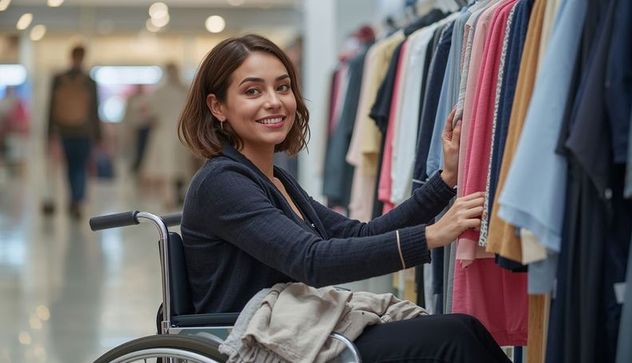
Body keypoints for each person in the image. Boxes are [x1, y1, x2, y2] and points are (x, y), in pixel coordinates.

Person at [178, 34, 510, 362]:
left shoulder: (274, 179)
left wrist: (445, 180)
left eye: (282, 87)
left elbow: (359, 234)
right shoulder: (222, 183)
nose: (274, 101)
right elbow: (313, 261)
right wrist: (430, 236)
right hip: (258, 342)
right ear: (217, 106)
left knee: (462, 333)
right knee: (455, 337)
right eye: (253, 91)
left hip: (294, 327)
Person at [47, 45, 101, 219]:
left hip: (64, 130)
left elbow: (51, 108)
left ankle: (73, 198)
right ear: (83, 57)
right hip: (83, 132)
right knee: (80, 166)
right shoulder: (88, 81)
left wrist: (49, 132)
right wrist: (98, 134)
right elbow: (94, 109)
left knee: (70, 167)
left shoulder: (59, 79)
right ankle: (77, 199)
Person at [140, 63, 193, 208]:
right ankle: (177, 196)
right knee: (177, 167)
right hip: (179, 134)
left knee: (171, 168)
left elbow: (148, 113)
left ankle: (173, 197)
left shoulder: (163, 92)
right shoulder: (183, 91)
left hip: (169, 134)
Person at [122, 84, 153, 176]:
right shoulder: (132, 100)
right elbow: (128, 116)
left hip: (145, 128)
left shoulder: (147, 99)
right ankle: (135, 168)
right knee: (135, 149)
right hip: (136, 128)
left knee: (143, 150)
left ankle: (140, 168)